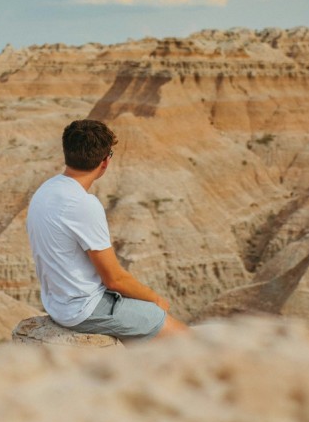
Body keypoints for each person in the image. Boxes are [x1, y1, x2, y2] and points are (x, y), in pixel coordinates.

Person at [26, 119, 188, 340]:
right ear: (105, 161)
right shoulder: (83, 204)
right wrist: (156, 301)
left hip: (58, 303)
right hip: (85, 309)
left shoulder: (46, 190)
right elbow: (115, 279)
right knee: (184, 337)